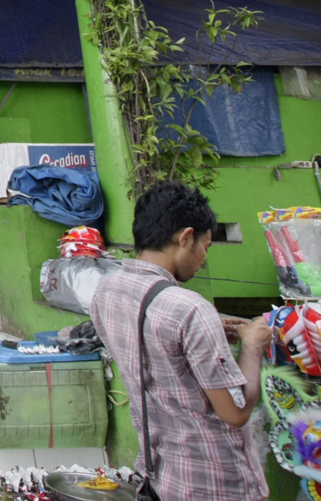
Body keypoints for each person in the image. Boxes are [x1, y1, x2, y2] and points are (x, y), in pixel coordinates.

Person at [91, 182, 270, 501]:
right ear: (185, 237)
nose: (203, 259)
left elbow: (154, 352)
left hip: (161, 476)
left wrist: (208, 330)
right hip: (215, 484)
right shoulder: (190, 309)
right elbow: (236, 410)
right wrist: (253, 345)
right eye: (206, 246)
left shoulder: (108, 291)